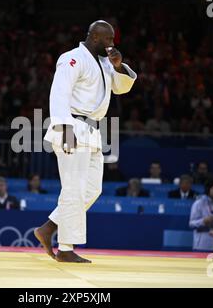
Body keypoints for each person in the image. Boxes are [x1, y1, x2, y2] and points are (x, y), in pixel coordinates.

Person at [35, 20, 137, 263]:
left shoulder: (104, 62)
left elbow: (122, 89)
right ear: (94, 38)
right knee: (74, 188)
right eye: (108, 40)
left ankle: (48, 228)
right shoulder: (72, 58)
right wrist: (63, 127)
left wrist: (119, 66)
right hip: (71, 125)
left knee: (92, 189)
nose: (112, 44)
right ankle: (66, 248)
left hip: (92, 131)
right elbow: (59, 92)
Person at [189, 179, 213, 252]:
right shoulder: (199, 203)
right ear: (208, 189)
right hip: (201, 247)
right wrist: (204, 221)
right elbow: (191, 224)